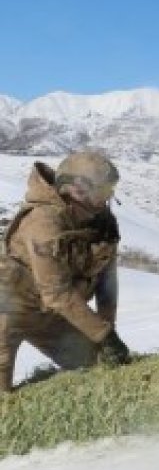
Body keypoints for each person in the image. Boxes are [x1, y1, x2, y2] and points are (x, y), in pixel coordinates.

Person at [0, 151, 131, 392]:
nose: (106, 200)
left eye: (109, 192)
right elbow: (56, 294)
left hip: (50, 314)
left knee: (98, 368)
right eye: (102, 192)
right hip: (9, 310)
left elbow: (106, 283)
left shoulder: (101, 222)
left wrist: (107, 336)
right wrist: (102, 334)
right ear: (76, 190)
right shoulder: (43, 223)